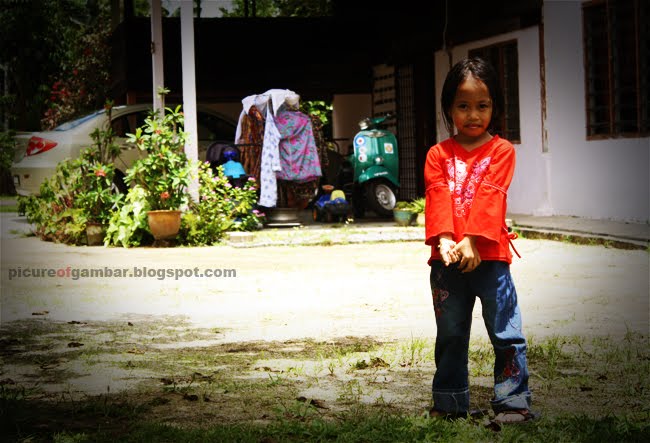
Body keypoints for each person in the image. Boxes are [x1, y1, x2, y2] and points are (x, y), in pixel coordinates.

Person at [424, 57, 537, 424]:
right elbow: (437, 195)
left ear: (495, 107)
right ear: (448, 108)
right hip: (447, 263)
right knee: (450, 334)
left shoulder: (502, 151)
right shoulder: (437, 154)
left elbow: (491, 193)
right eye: (463, 106)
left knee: (506, 332)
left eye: (482, 105)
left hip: (492, 260)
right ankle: (449, 403)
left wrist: (472, 240)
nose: (473, 115)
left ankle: (513, 402)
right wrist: (445, 240)